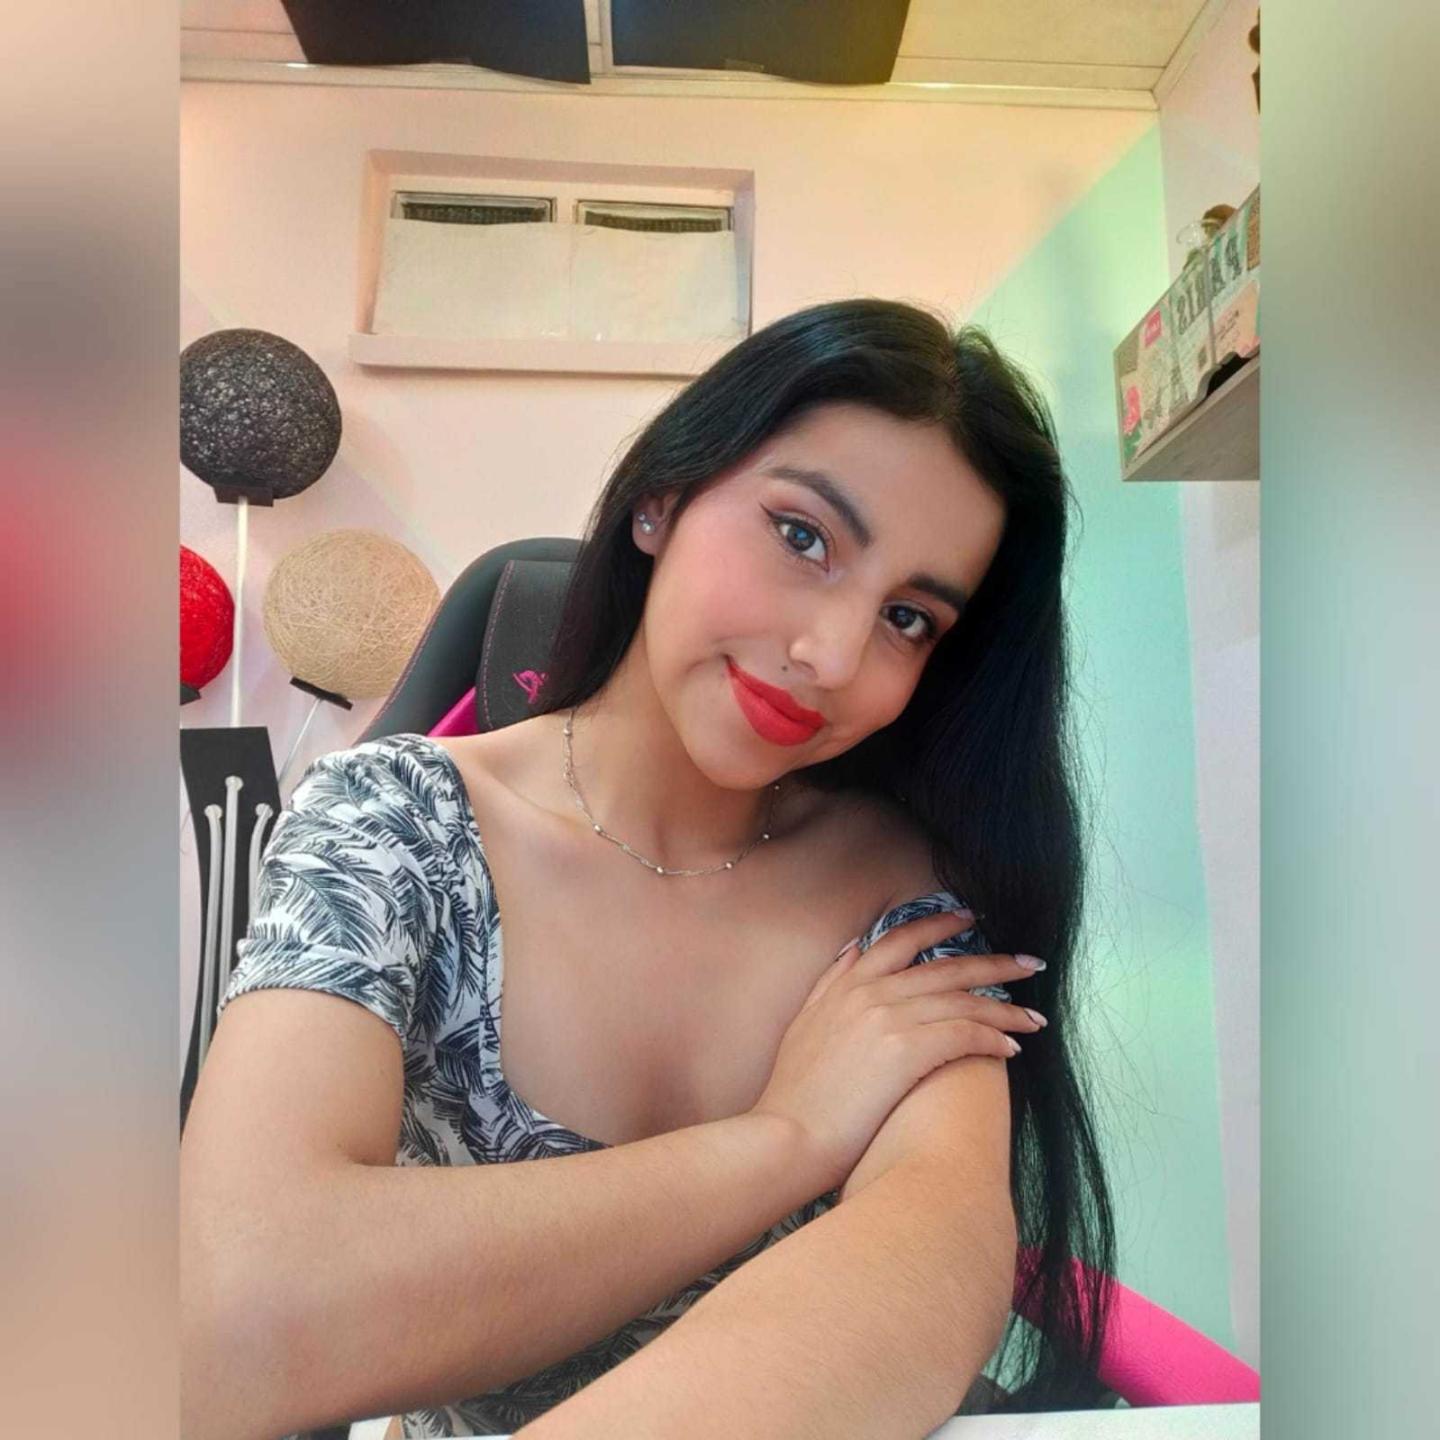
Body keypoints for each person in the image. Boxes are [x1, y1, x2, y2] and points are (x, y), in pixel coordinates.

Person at [180, 298, 1116, 1440]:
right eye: (803, 536)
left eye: (909, 619)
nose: (832, 655)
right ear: (662, 498)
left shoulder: (903, 894)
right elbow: (238, 1321)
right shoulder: (394, 830)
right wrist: (782, 1139)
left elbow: (930, 1256)